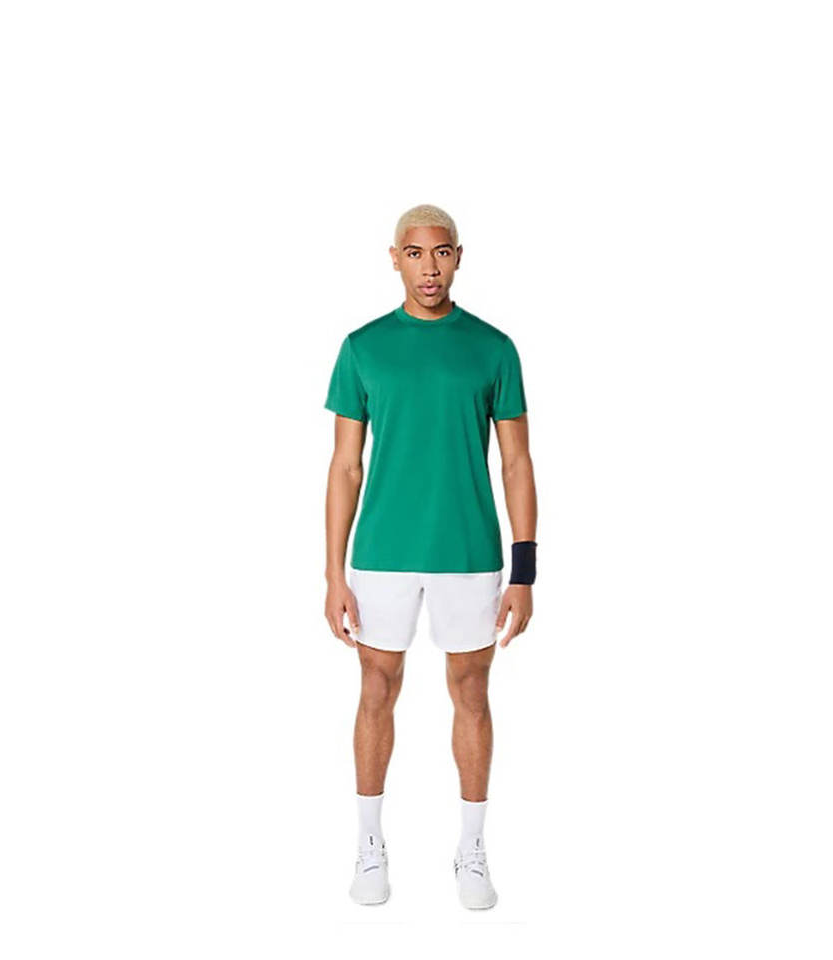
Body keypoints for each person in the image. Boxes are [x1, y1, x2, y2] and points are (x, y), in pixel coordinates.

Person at [323, 204, 538, 909]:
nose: (429, 267)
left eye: (441, 252)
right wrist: (332, 573)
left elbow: (516, 463)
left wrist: (525, 570)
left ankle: (472, 850)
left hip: (468, 552)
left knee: (471, 692)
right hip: (381, 553)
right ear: (395, 258)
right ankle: (368, 844)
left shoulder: (493, 348)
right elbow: (345, 466)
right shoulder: (363, 347)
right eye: (414, 253)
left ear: (458, 256)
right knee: (376, 688)